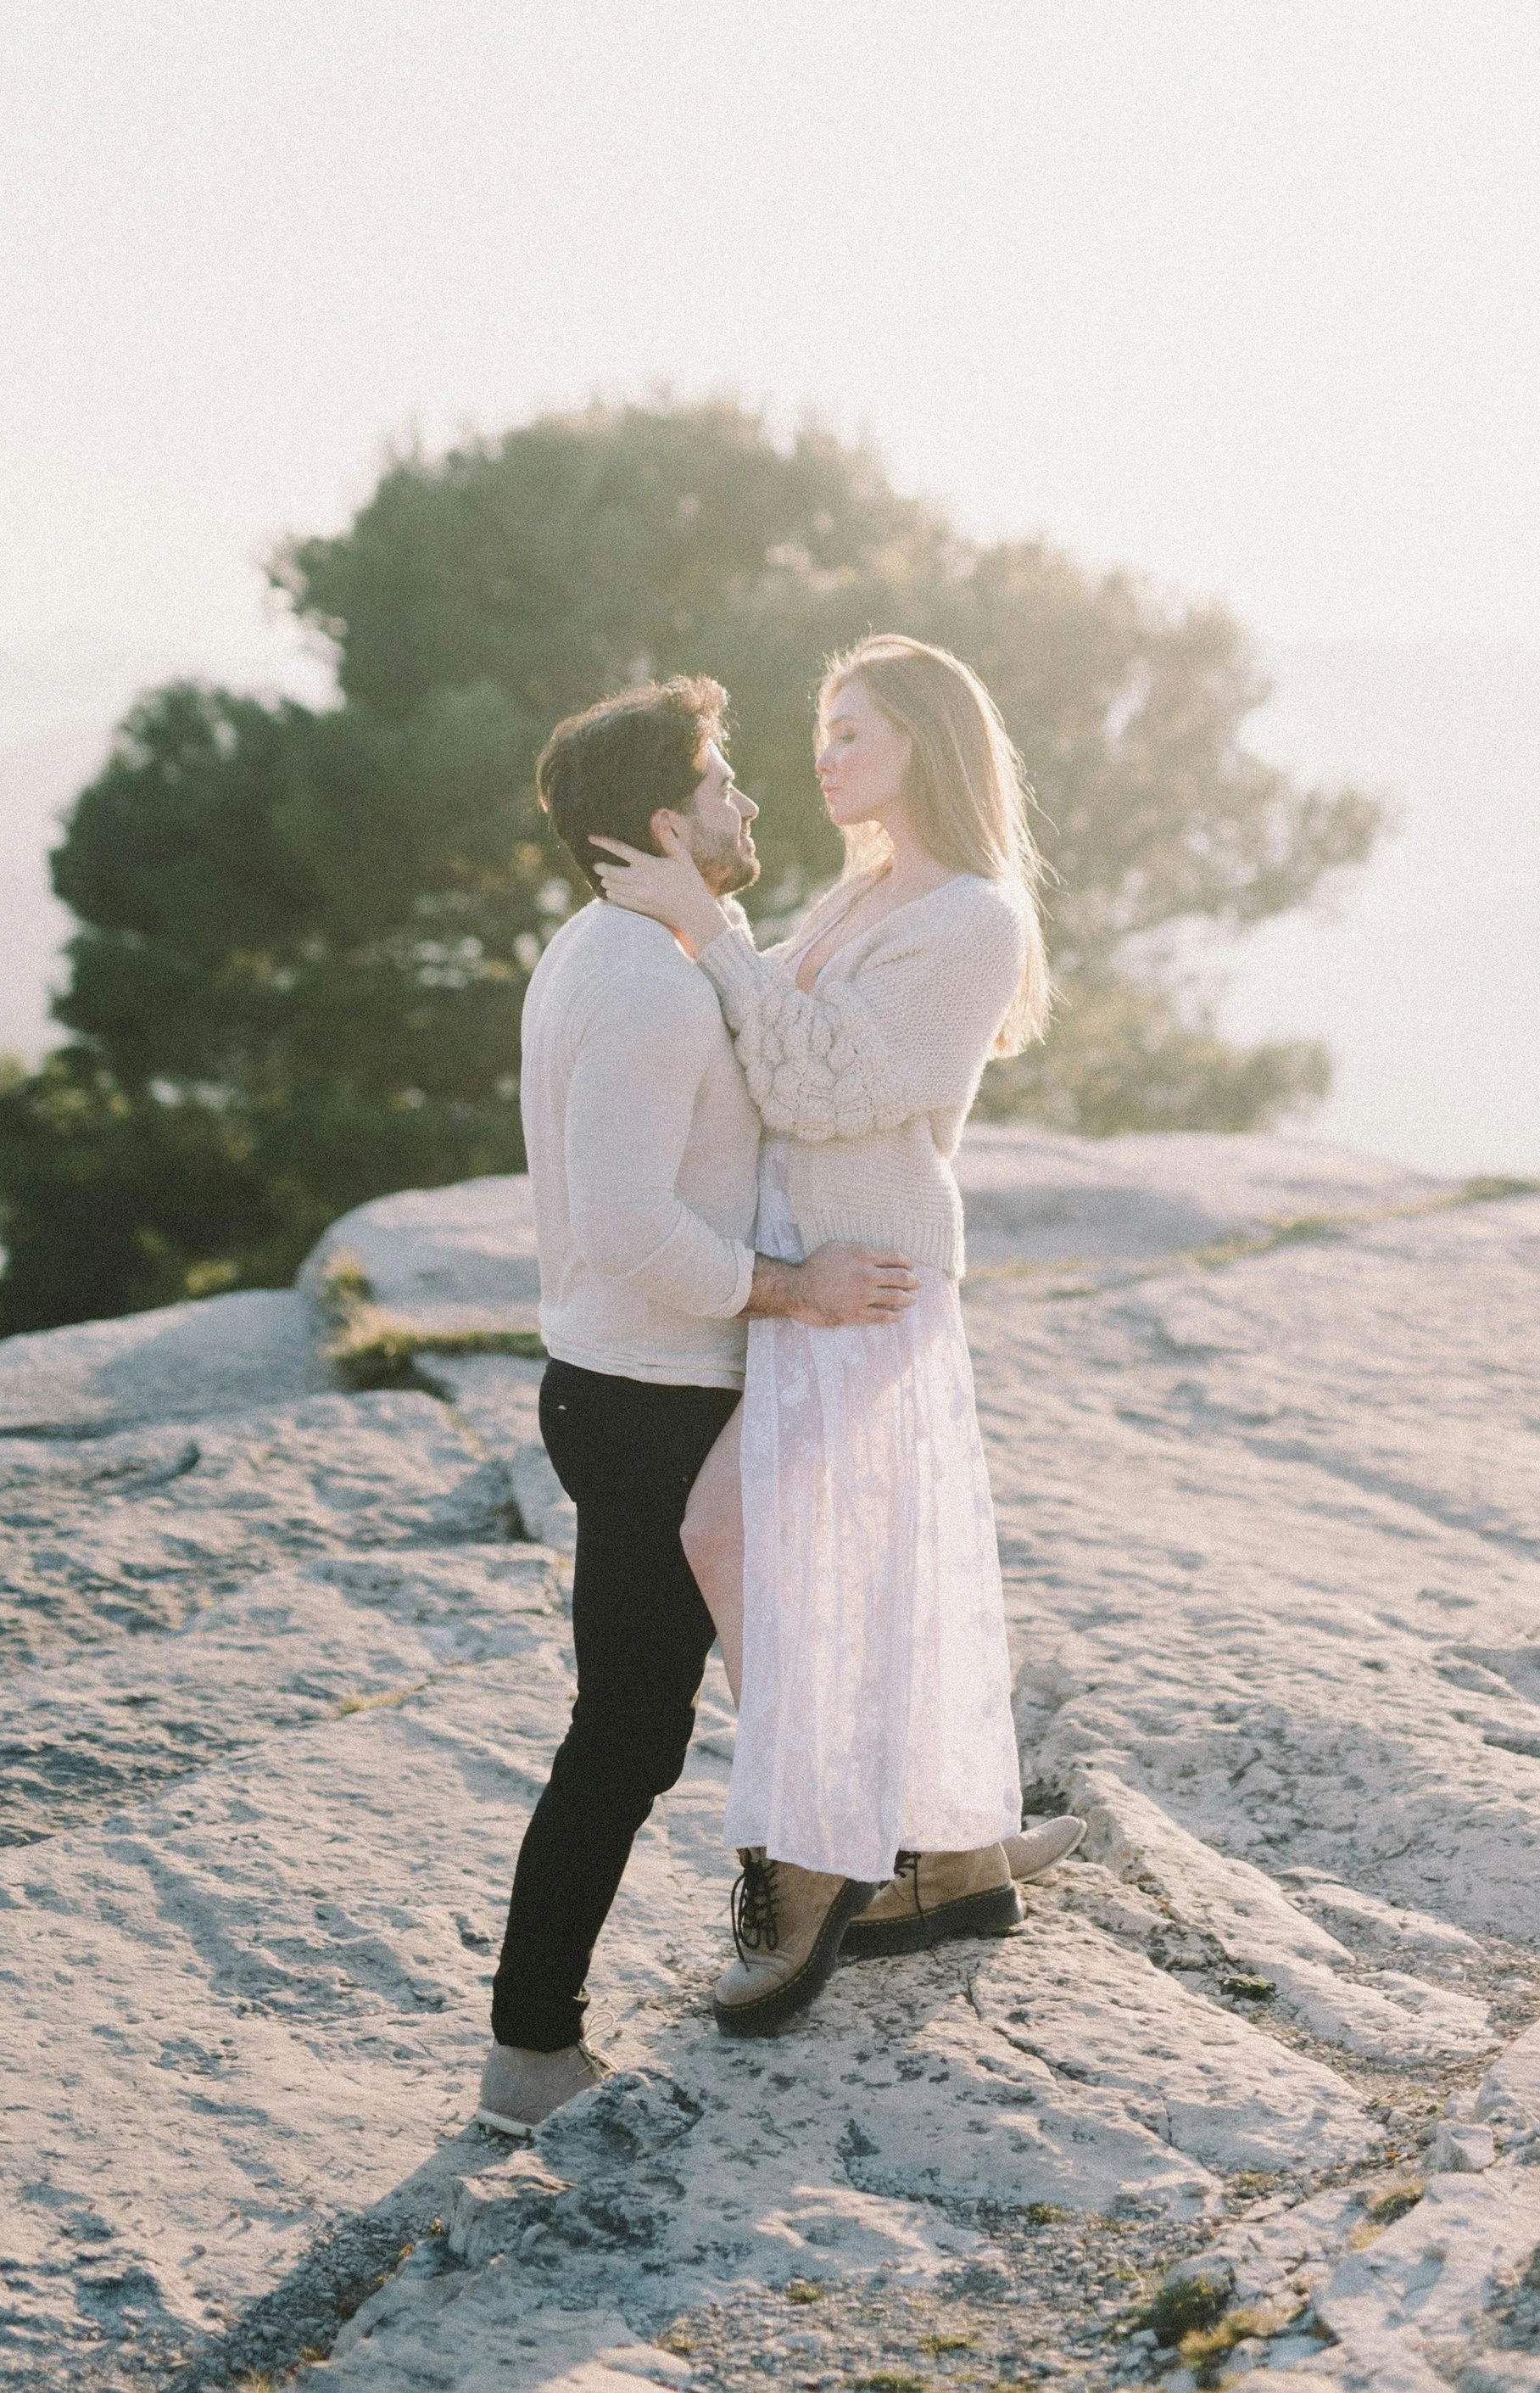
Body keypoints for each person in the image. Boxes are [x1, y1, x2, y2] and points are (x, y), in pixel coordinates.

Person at [594, 634, 1078, 2039]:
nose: (824, 756)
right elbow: (771, 1056)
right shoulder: (867, 891)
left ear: (925, 741)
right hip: (817, 1279)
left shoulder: (971, 917)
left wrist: (712, 928)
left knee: (729, 1535)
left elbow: (818, 1085)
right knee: (838, 1559)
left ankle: (823, 1850)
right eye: (821, 728)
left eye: (852, 731)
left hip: (870, 1281)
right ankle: (945, 1851)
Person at [476, 677, 919, 2134]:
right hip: (648, 1400)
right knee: (627, 1734)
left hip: (631, 1389)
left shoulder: (611, 951)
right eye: (726, 784)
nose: (749, 803)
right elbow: (623, 1226)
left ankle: (899, 1857)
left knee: (723, 1678)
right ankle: (531, 2051)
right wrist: (794, 1289)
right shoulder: (646, 982)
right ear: (668, 820)